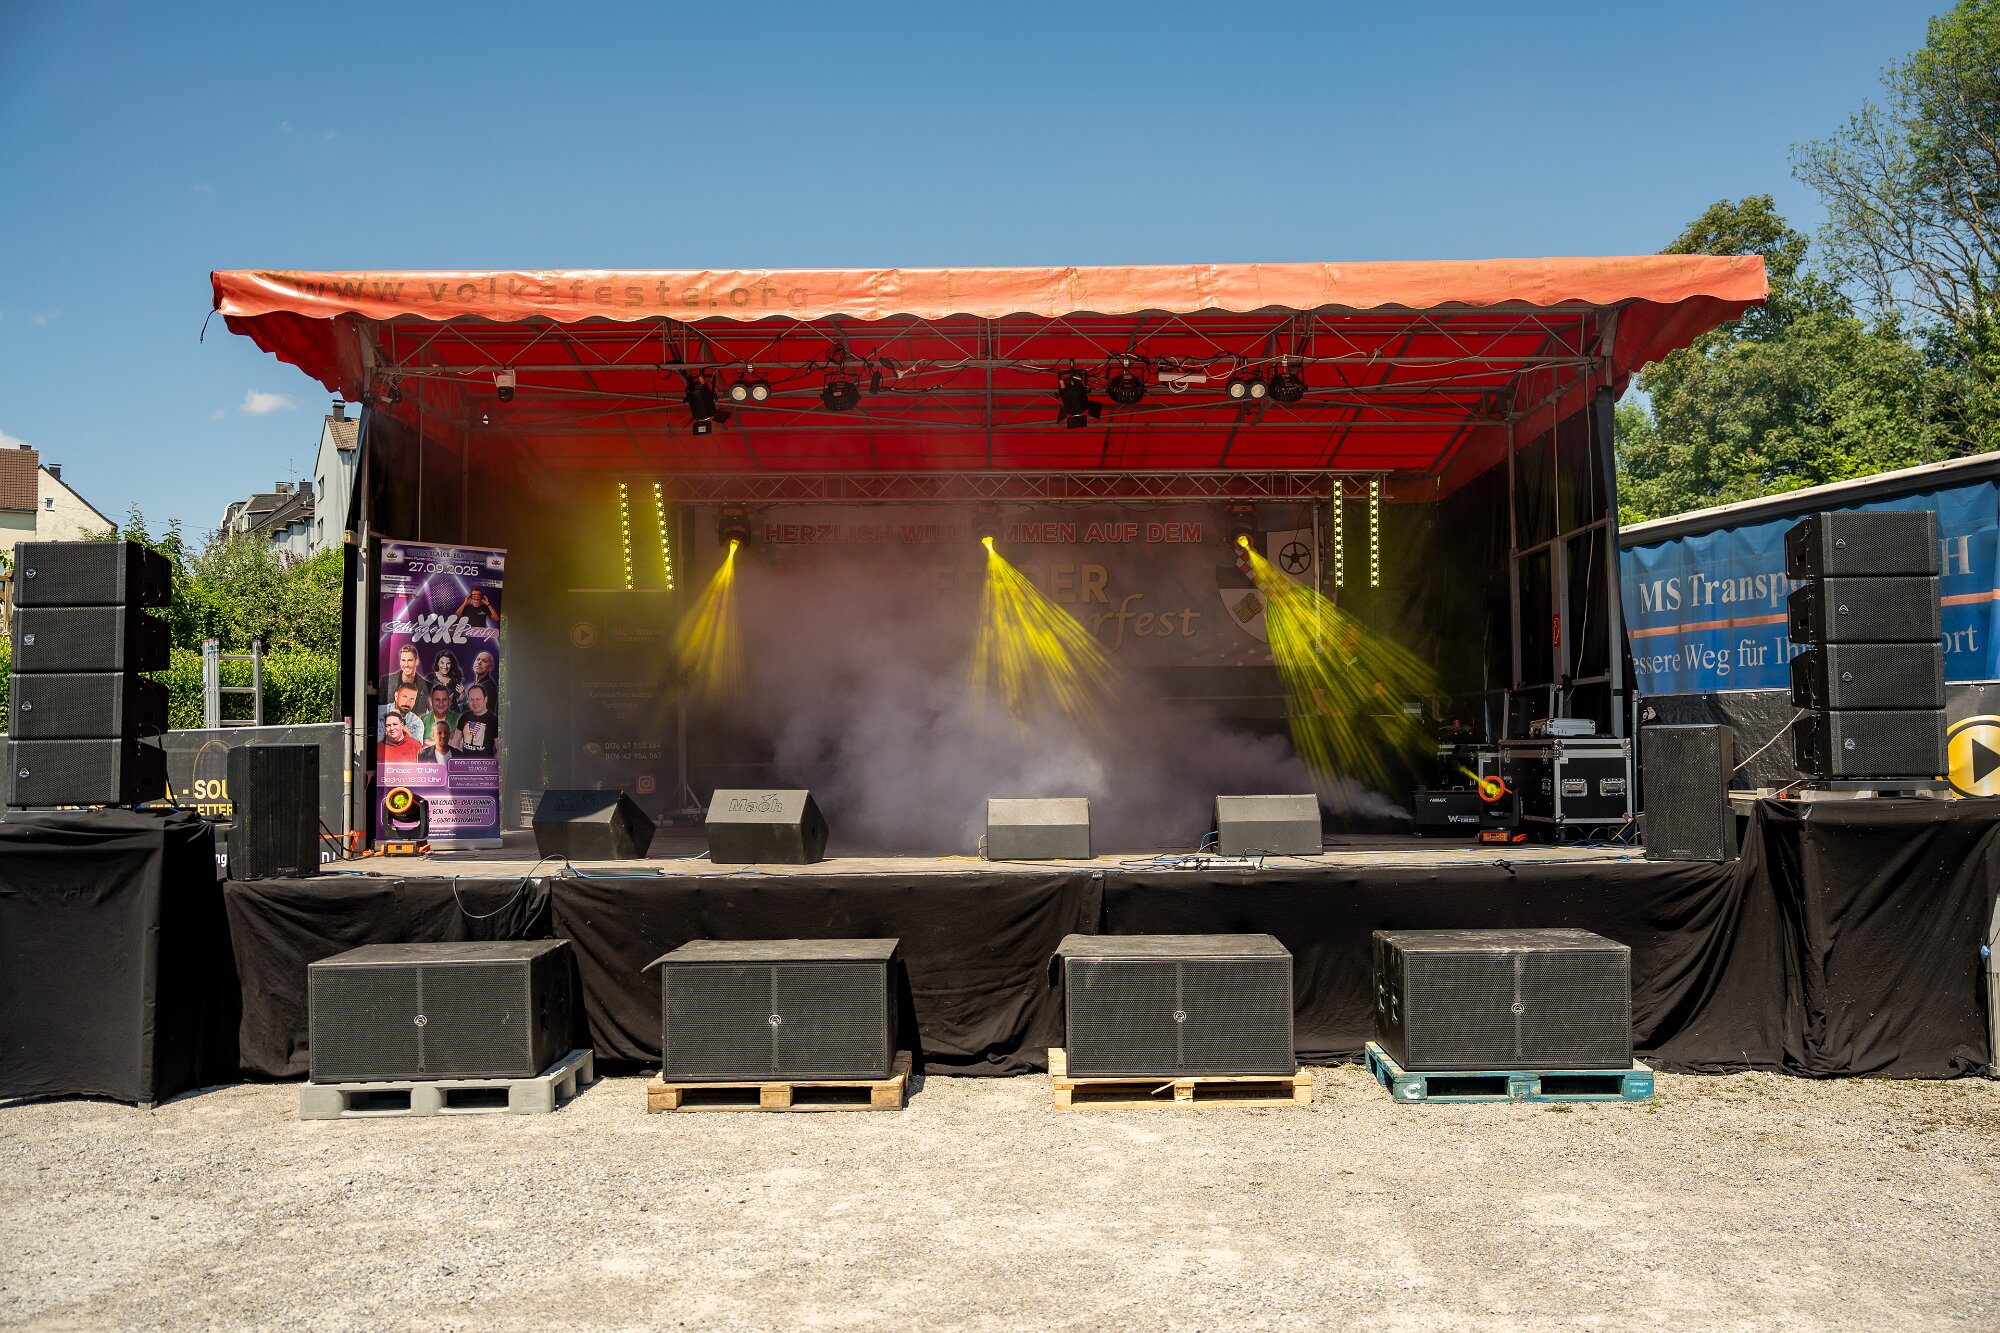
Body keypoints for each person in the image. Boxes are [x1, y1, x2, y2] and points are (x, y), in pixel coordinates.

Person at [377, 644, 425, 709]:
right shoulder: (386, 681)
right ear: (400, 662)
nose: (406, 664)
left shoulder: (426, 686)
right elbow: (380, 709)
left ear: (417, 661)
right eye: (403, 660)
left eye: (410, 660)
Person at [457, 683, 498, 756]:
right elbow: (455, 743)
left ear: (486, 699)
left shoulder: (493, 721)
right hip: (465, 762)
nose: (474, 703)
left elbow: (500, 750)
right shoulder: (464, 717)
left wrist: (493, 762)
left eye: (478, 699)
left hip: (485, 763)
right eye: (471, 700)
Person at [414, 683, 459, 749]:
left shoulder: (459, 720)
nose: (441, 703)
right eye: (437, 700)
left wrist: (433, 743)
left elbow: (458, 745)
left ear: (449, 701)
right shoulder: (421, 721)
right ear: (431, 701)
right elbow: (417, 746)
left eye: (444, 700)